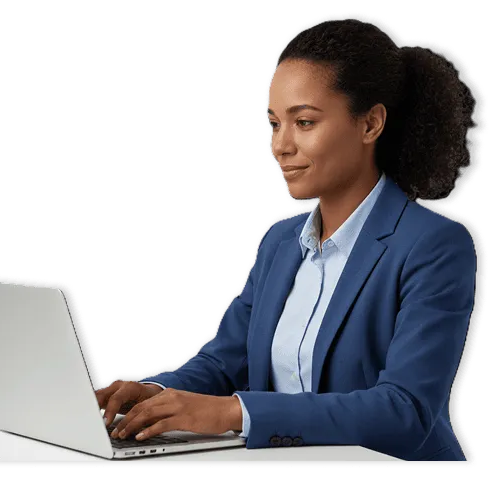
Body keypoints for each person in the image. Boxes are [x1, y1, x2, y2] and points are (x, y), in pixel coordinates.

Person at [96, 13, 480, 462]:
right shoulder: (281, 241)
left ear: (371, 124)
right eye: (274, 123)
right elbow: (223, 362)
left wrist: (236, 413)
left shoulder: (434, 245)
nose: (280, 146)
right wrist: (153, 392)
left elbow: (404, 411)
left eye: (305, 122)